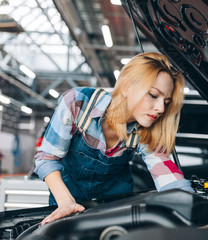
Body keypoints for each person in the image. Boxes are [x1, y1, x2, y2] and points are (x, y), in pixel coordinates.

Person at [34, 52, 194, 226]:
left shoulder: (146, 132)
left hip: (115, 205)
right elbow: (47, 158)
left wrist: (198, 215)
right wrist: (66, 202)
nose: (161, 108)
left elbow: (170, 180)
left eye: (167, 101)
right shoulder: (78, 103)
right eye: (154, 95)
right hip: (66, 197)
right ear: (125, 87)